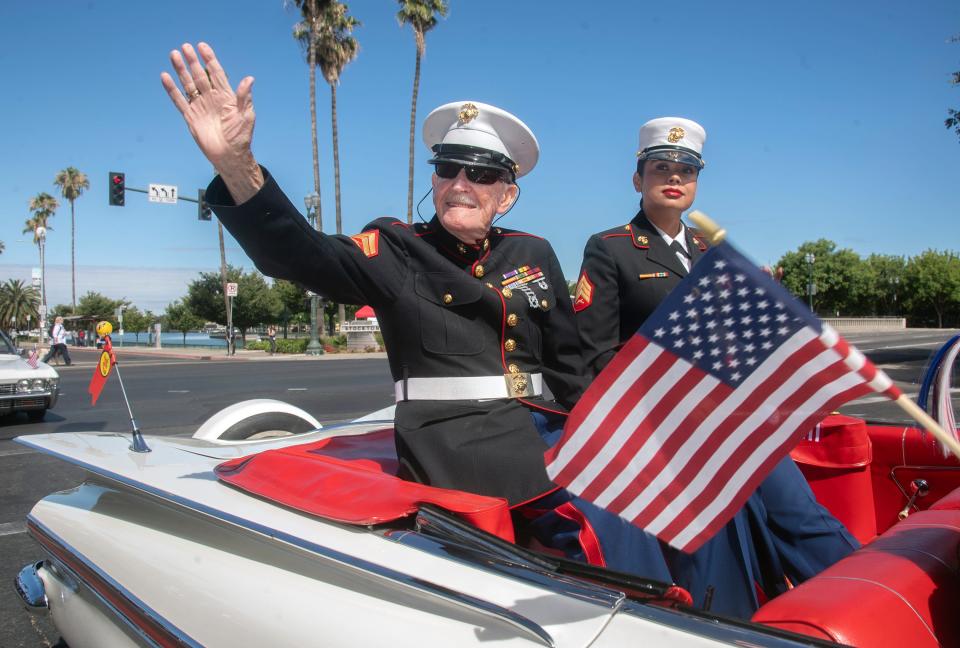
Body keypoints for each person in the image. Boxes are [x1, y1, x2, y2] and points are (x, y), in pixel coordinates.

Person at [161, 42, 671, 580]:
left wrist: (613, 434)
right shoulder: (396, 249)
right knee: (603, 521)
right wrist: (235, 164)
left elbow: (569, 365)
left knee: (647, 488)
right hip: (455, 443)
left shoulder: (533, 251)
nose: (461, 184)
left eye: (481, 174)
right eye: (449, 168)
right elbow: (298, 255)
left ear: (507, 194)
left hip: (543, 428)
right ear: (434, 179)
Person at [573, 117, 858, 618]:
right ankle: (728, 628)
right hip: (670, 427)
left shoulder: (713, 251)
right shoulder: (611, 248)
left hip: (738, 418)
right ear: (638, 180)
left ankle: (860, 604)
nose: (675, 177)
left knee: (801, 516)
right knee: (712, 550)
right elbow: (597, 353)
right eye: (661, 167)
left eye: (686, 169)